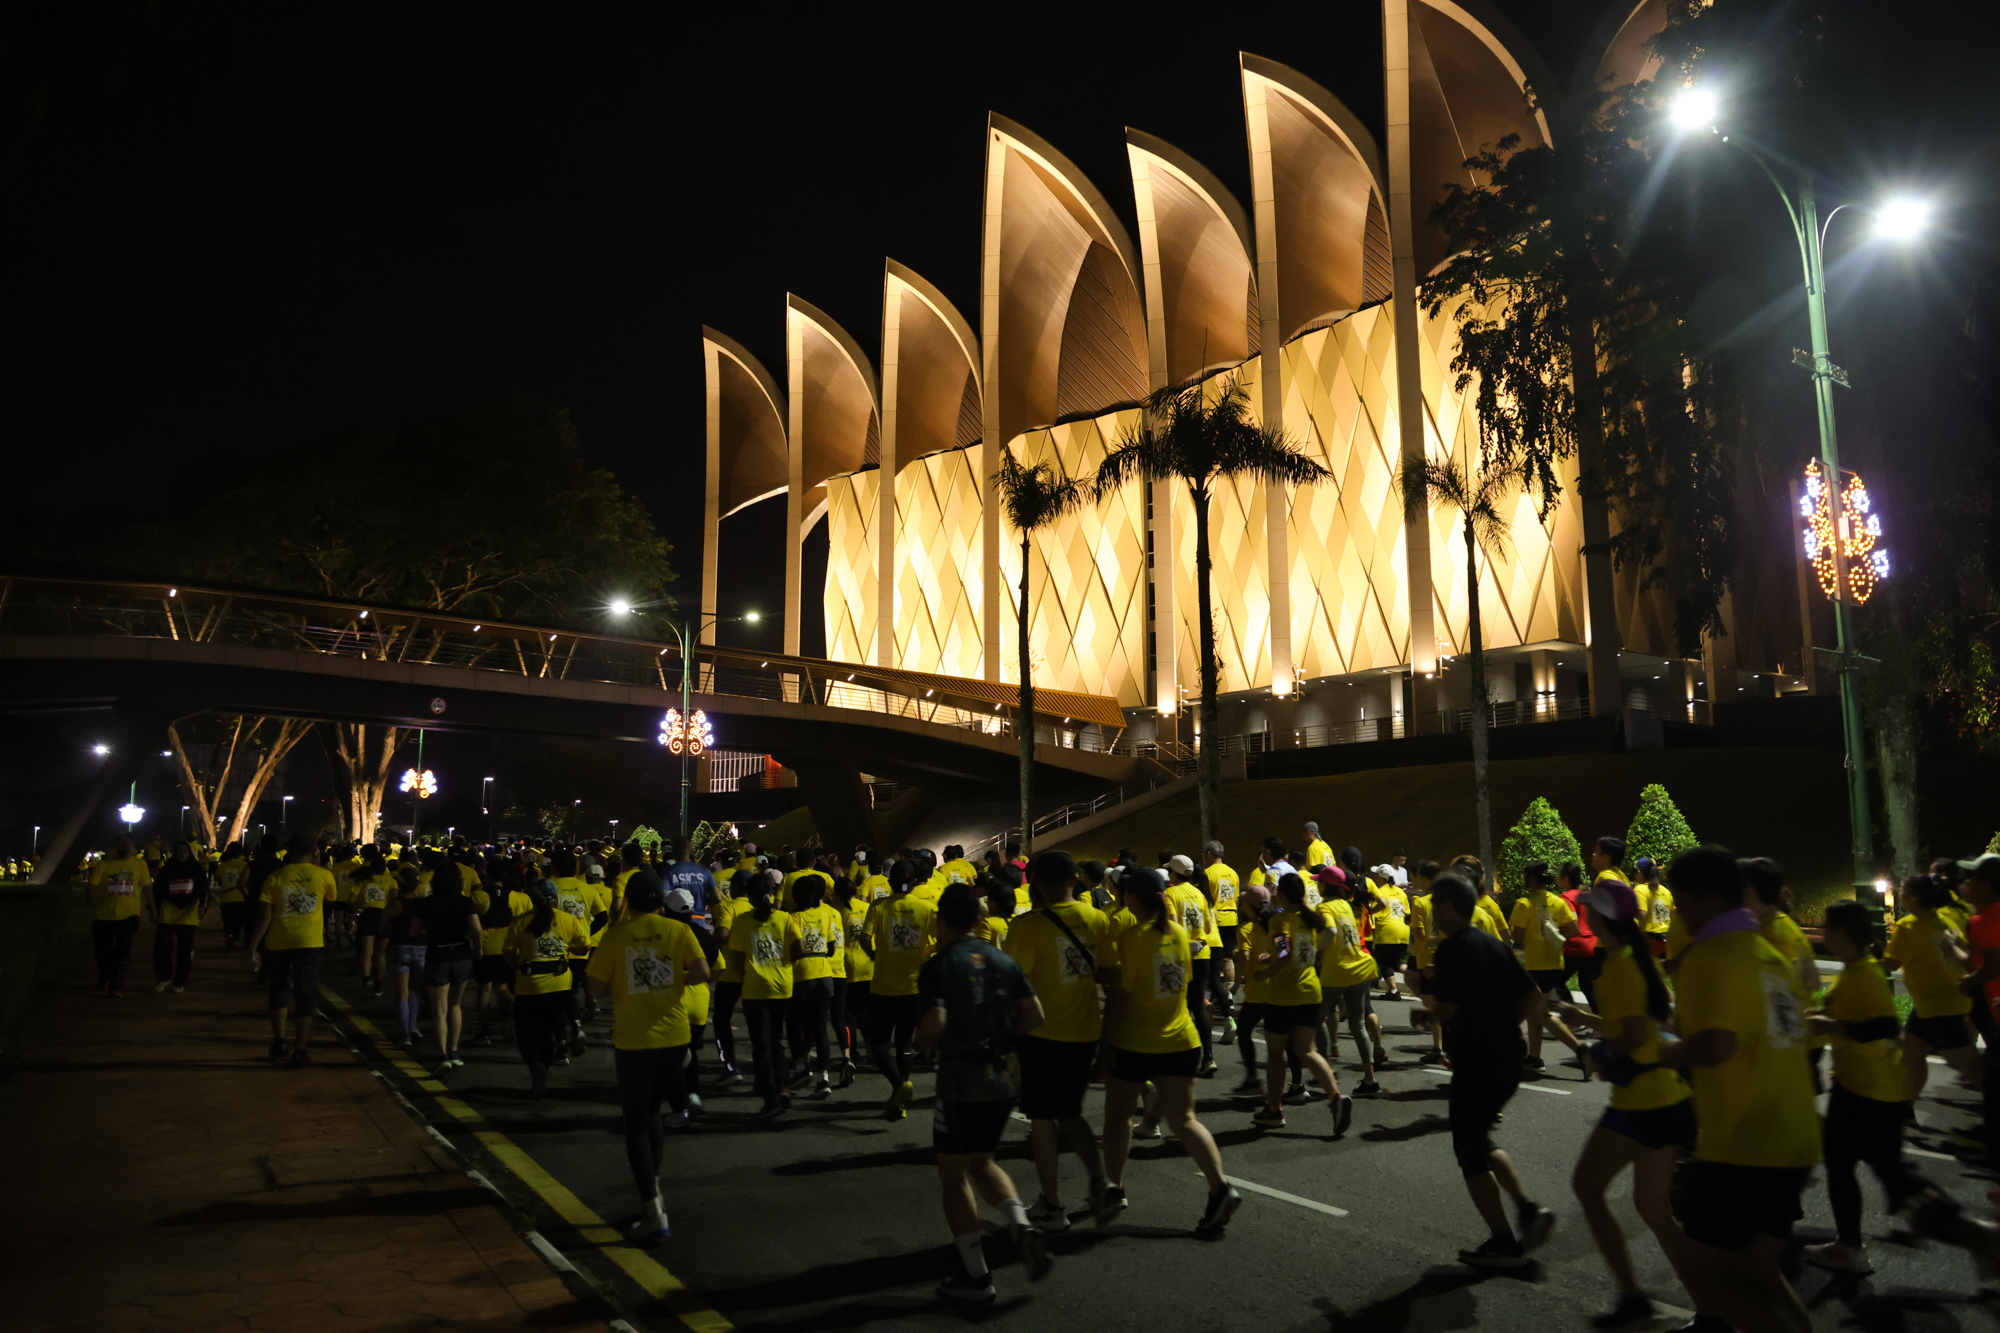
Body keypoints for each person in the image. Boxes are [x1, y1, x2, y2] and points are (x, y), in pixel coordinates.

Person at [1654, 846, 1818, 1333]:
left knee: (1712, 1276)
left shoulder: (1710, 957)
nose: (1680, 914)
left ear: (1703, 902)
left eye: (1681, 903)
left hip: (1744, 1142)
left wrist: (1658, 1051)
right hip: (1796, 1136)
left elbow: (1716, 1044)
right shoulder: (1769, 954)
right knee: (1760, 1271)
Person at [1801, 899, 2000, 1278]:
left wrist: (1829, 1026)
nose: (1823, 933)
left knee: (1861, 1170)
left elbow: (1882, 1028)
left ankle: (1851, 1248)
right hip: (1870, 1089)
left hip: (1866, 1093)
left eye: (1827, 927)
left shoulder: (1864, 974)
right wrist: (1829, 1020)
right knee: (1888, 1175)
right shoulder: (1860, 970)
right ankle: (1978, 1237)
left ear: (1843, 934)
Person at [1553, 876, 1694, 1328]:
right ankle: (1712, 1308)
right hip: (1667, 1096)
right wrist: (1588, 1019)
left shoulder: (1619, 966)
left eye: (1591, 907)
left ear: (1603, 916)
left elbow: (1633, 1035)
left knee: (1587, 1187)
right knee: (1655, 1210)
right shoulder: (1634, 959)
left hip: (1640, 1102)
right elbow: (1643, 1024)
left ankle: (1633, 1296)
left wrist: (1598, 1051)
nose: (1585, 912)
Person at [918, 881, 1053, 1302]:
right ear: (979, 920)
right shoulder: (1002, 959)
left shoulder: (939, 965)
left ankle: (976, 1276)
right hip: (1005, 1077)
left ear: (939, 921)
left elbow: (935, 1025)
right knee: (983, 1162)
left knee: (954, 1176)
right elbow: (1034, 1014)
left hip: (961, 1082)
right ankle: (1021, 1225)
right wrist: (1000, 1038)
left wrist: (923, 1041)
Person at [1094, 867, 1240, 1234]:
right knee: (1185, 1120)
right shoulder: (1177, 933)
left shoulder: (1131, 937)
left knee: (1119, 1117)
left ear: (1130, 898)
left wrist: (1104, 1044)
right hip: (1181, 1039)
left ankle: (1114, 1187)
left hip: (1136, 1041)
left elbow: (1122, 995)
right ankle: (1220, 1186)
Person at [1427, 871, 1558, 1269]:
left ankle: (1503, 1239)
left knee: (1469, 1150)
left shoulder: (1451, 950)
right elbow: (1532, 992)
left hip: (1476, 1059)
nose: (1432, 913)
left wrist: (1427, 1014)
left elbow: (1448, 1009)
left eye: (1435, 906)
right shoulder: (1492, 944)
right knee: (1479, 1136)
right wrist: (1506, 1025)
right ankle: (1527, 1211)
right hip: (1507, 1056)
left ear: (1449, 908)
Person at [586, 871, 711, 1242]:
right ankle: (652, 1189)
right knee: (654, 1111)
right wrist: (673, 981)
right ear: (660, 901)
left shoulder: (616, 935)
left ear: (629, 902)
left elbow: (593, 990)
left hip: (634, 1041)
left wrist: (623, 985)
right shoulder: (679, 931)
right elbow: (702, 972)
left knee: (636, 1124)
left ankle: (653, 1208)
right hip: (675, 1038)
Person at [1003, 851, 1113, 1233]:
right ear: (1075, 879)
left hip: (1041, 1034)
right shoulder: (1098, 920)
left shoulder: (1026, 927)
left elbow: (1015, 987)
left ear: (1035, 884)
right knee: (1070, 1111)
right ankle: (1100, 1180)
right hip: (1085, 1031)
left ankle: (1052, 1205)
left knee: (1042, 1120)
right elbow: (1108, 974)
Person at [1248, 873, 1352, 1131]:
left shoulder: (1278, 920)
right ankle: (1335, 1097)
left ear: (1281, 895)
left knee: (1275, 1055)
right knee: (1307, 1051)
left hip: (1282, 995)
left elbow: (1284, 956)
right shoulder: (1311, 919)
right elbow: (1295, 951)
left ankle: (1274, 1110)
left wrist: (1264, 973)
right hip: (1309, 991)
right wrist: (1270, 956)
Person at [1884, 873, 1980, 1101]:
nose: (1899, 894)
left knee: (1968, 1064)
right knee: (1912, 1053)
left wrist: (1867, 954)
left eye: (1903, 891)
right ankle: (1905, 1106)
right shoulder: (1943, 920)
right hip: (1944, 1000)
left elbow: (1891, 963)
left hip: (1938, 1007)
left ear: (1914, 899)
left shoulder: (1907, 926)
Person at [247, 835, 338, 1068]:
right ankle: (301, 1049)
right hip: (310, 943)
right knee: (305, 994)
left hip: (278, 942)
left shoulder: (275, 877)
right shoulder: (324, 875)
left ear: (287, 851)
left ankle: (279, 1040)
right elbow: (331, 898)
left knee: (278, 989)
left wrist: (253, 946)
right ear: (314, 852)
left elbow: (265, 915)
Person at [862, 857, 936, 1118]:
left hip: (883, 986)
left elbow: (864, 937)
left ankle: (899, 1086)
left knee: (879, 1043)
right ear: (915, 882)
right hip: (913, 987)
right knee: (904, 1043)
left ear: (890, 882)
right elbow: (938, 940)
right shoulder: (925, 909)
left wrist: (874, 955)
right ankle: (898, 1103)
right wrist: (923, 956)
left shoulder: (878, 907)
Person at [507, 877, 590, 1097]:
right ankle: (544, 1066)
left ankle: (536, 1067)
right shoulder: (568, 920)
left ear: (532, 899)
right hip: (559, 984)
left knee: (525, 1033)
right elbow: (584, 947)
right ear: (555, 899)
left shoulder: (520, 922)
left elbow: (508, 952)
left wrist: (517, 964)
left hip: (528, 986)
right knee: (546, 1031)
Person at [727, 871, 800, 1118]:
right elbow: (799, 948)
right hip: (782, 987)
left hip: (755, 989)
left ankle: (770, 1097)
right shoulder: (785, 919)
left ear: (749, 897)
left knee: (761, 1046)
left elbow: (737, 958)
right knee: (777, 1041)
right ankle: (783, 1086)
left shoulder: (742, 921)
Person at [1506, 860, 1587, 1076]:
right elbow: (1573, 930)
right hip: (1555, 964)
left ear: (1531, 879)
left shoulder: (1524, 903)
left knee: (1540, 1014)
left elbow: (1517, 935)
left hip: (1535, 966)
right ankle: (1534, 1057)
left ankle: (1581, 1051)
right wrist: (1553, 936)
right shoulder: (1559, 903)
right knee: (1536, 1013)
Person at [1314, 865, 1383, 1092]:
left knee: (1317, 1019)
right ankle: (1370, 1079)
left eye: (1319, 881)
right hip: (1361, 968)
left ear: (1325, 885)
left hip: (1337, 972)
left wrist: (1314, 949)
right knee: (1358, 1024)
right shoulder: (1346, 904)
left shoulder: (1324, 907)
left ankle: (1325, 1070)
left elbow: (1331, 932)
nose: (1317, 884)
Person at [417, 862, 483, 1072]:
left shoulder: (427, 903)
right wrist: (478, 950)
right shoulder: (465, 902)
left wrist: (430, 933)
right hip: (461, 956)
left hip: (437, 956)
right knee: (455, 1005)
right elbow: (477, 930)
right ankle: (454, 1051)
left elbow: (414, 931)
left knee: (439, 1009)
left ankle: (442, 1054)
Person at [1957, 853, 2000, 1165]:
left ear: (1986, 886)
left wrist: (1969, 981)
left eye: (1971, 879)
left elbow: (1992, 967)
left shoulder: (1983, 920)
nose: (1965, 884)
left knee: (1995, 1080)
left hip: (1996, 1013)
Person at [785, 870, 843, 1098]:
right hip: (825, 975)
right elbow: (830, 948)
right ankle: (824, 1079)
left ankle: (801, 1067)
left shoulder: (793, 918)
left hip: (802, 975)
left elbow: (795, 948)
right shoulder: (825, 916)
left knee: (793, 1025)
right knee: (820, 1029)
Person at [1164, 855, 1220, 1078]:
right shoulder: (1200, 894)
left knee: (1179, 1007)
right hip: (1202, 953)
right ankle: (1208, 1056)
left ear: (1175, 874)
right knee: (1198, 1004)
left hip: (1181, 954)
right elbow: (1207, 925)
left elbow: (1172, 923)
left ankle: (1181, 1058)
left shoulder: (1170, 894)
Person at [470, 863, 529, 1045]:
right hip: (506, 948)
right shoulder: (518, 898)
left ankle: (484, 1032)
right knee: (503, 988)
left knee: (484, 990)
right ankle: (510, 1025)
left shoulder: (478, 896)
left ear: (486, 876)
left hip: (485, 947)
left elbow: (473, 921)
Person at [88, 834, 152, 996]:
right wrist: (89, 899)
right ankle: (105, 975)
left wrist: (152, 907)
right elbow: (90, 885)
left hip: (129, 915)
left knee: (122, 952)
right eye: (121, 841)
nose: (125, 844)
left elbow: (146, 887)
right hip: (105, 915)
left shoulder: (139, 864)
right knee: (102, 952)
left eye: (128, 841)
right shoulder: (104, 865)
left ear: (132, 845)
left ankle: (116, 984)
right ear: (115, 844)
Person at [378, 865, 429, 1046]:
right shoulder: (423, 903)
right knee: (414, 990)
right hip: (421, 950)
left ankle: (405, 1035)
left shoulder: (394, 904)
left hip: (399, 948)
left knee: (402, 994)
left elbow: (382, 927)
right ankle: (413, 1026)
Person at [150, 840, 209, 992]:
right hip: (167, 911)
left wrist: (203, 906)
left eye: (185, 851)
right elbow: (157, 891)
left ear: (189, 853)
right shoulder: (166, 870)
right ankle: (163, 977)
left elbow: (204, 890)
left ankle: (180, 981)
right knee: (162, 946)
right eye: (179, 851)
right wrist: (152, 909)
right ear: (174, 853)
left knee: (185, 949)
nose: (182, 854)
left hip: (189, 913)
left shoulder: (197, 870)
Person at [1363, 850, 1411, 1000]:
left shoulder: (1379, 892)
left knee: (1384, 962)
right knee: (1397, 962)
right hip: (1403, 931)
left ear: (1380, 877)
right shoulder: (1400, 892)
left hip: (1387, 931)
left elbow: (1374, 914)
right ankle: (1416, 975)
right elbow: (1407, 913)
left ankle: (1393, 991)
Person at [1556, 862, 1601, 1010]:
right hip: (1592, 945)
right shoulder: (1585, 895)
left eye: (1559, 875)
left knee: (1556, 981)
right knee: (1587, 986)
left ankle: (1570, 1013)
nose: (1557, 877)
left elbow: (1572, 923)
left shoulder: (1566, 898)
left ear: (1566, 878)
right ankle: (1601, 1022)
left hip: (1576, 947)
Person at [352, 846, 393, 995]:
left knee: (367, 951)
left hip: (367, 915)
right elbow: (393, 899)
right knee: (381, 953)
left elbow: (352, 900)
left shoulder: (363, 881)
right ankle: (379, 985)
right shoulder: (390, 881)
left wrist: (359, 907)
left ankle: (366, 979)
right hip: (383, 916)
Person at [215, 841, 250, 949]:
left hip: (227, 898)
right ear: (240, 853)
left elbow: (219, 882)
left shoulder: (222, 866)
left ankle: (229, 935)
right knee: (239, 921)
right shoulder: (245, 865)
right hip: (242, 897)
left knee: (227, 920)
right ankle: (235, 938)